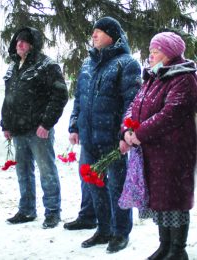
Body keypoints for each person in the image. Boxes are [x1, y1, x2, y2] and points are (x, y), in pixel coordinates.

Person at [67, 17, 141, 253]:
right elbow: (80, 98)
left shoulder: (126, 64)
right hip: (89, 138)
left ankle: (120, 233)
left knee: (117, 187)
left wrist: (125, 133)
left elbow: (132, 103)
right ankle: (103, 229)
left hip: (112, 140)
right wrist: (74, 126)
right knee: (94, 184)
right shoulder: (88, 64)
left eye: (100, 31)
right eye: (93, 31)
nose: (94, 35)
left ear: (113, 35)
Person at [122, 32, 197, 260]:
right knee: (160, 199)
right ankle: (164, 246)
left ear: (170, 53)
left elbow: (170, 114)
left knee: (174, 199)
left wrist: (140, 134)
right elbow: (134, 106)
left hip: (175, 152)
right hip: (154, 151)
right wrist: (126, 130)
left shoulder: (184, 78)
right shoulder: (154, 76)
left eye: (155, 51)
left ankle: (178, 250)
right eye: (151, 50)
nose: (150, 55)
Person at [1, 27, 68, 229]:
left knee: (46, 171)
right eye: (17, 41)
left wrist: (46, 123)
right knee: (23, 171)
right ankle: (27, 210)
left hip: (39, 130)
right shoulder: (12, 68)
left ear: (33, 44)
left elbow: (60, 96)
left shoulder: (47, 66)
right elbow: (9, 99)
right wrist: (6, 124)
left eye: (25, 41)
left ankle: (53, 212)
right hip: (18, 130)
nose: (19, 44)